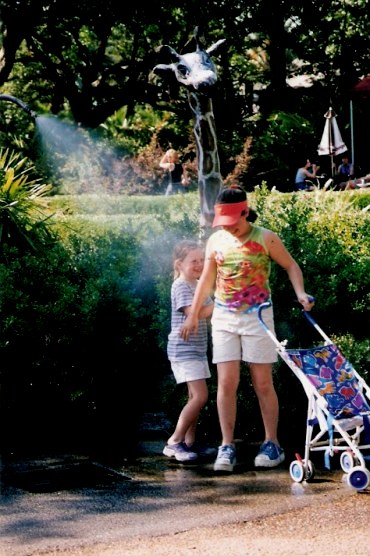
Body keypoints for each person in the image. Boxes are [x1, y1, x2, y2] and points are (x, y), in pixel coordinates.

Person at [180, 186, 315, 473]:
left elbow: (291, 266)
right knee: (227, 383)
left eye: (233, 222)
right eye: (223, 223)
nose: (228, 228)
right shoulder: (216, 241)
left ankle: (272, 443)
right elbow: (206, 279)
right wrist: (193, 315)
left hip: (258, 317)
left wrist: (301, 293)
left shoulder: (265, 237)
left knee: (262, 382)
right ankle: (227, 445)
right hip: (224, 318)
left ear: (245, 211)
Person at [163, 239, 215, 462]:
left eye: (202, 260)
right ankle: (174, 442)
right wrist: (222, 298)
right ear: (179, 264)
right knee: (201, 396)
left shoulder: (199, 284)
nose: (199, 264)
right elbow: (197, 313)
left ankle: (190, 442)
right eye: (194, 261)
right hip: (183, 350)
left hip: (198, 348)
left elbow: (209, 312)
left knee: (194, 396)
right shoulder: (181, 286)